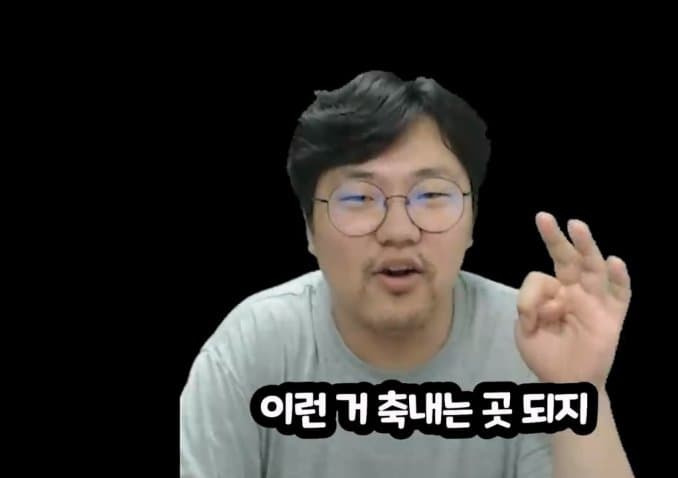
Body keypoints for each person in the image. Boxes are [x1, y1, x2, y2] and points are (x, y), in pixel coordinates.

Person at [180, 70, 635, 477]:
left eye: (431, 195)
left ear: (472, 221)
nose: (399, 232)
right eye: (358, 198)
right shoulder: (254, 347)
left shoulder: (533, 342)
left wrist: (581, 388)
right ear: (309, 230)